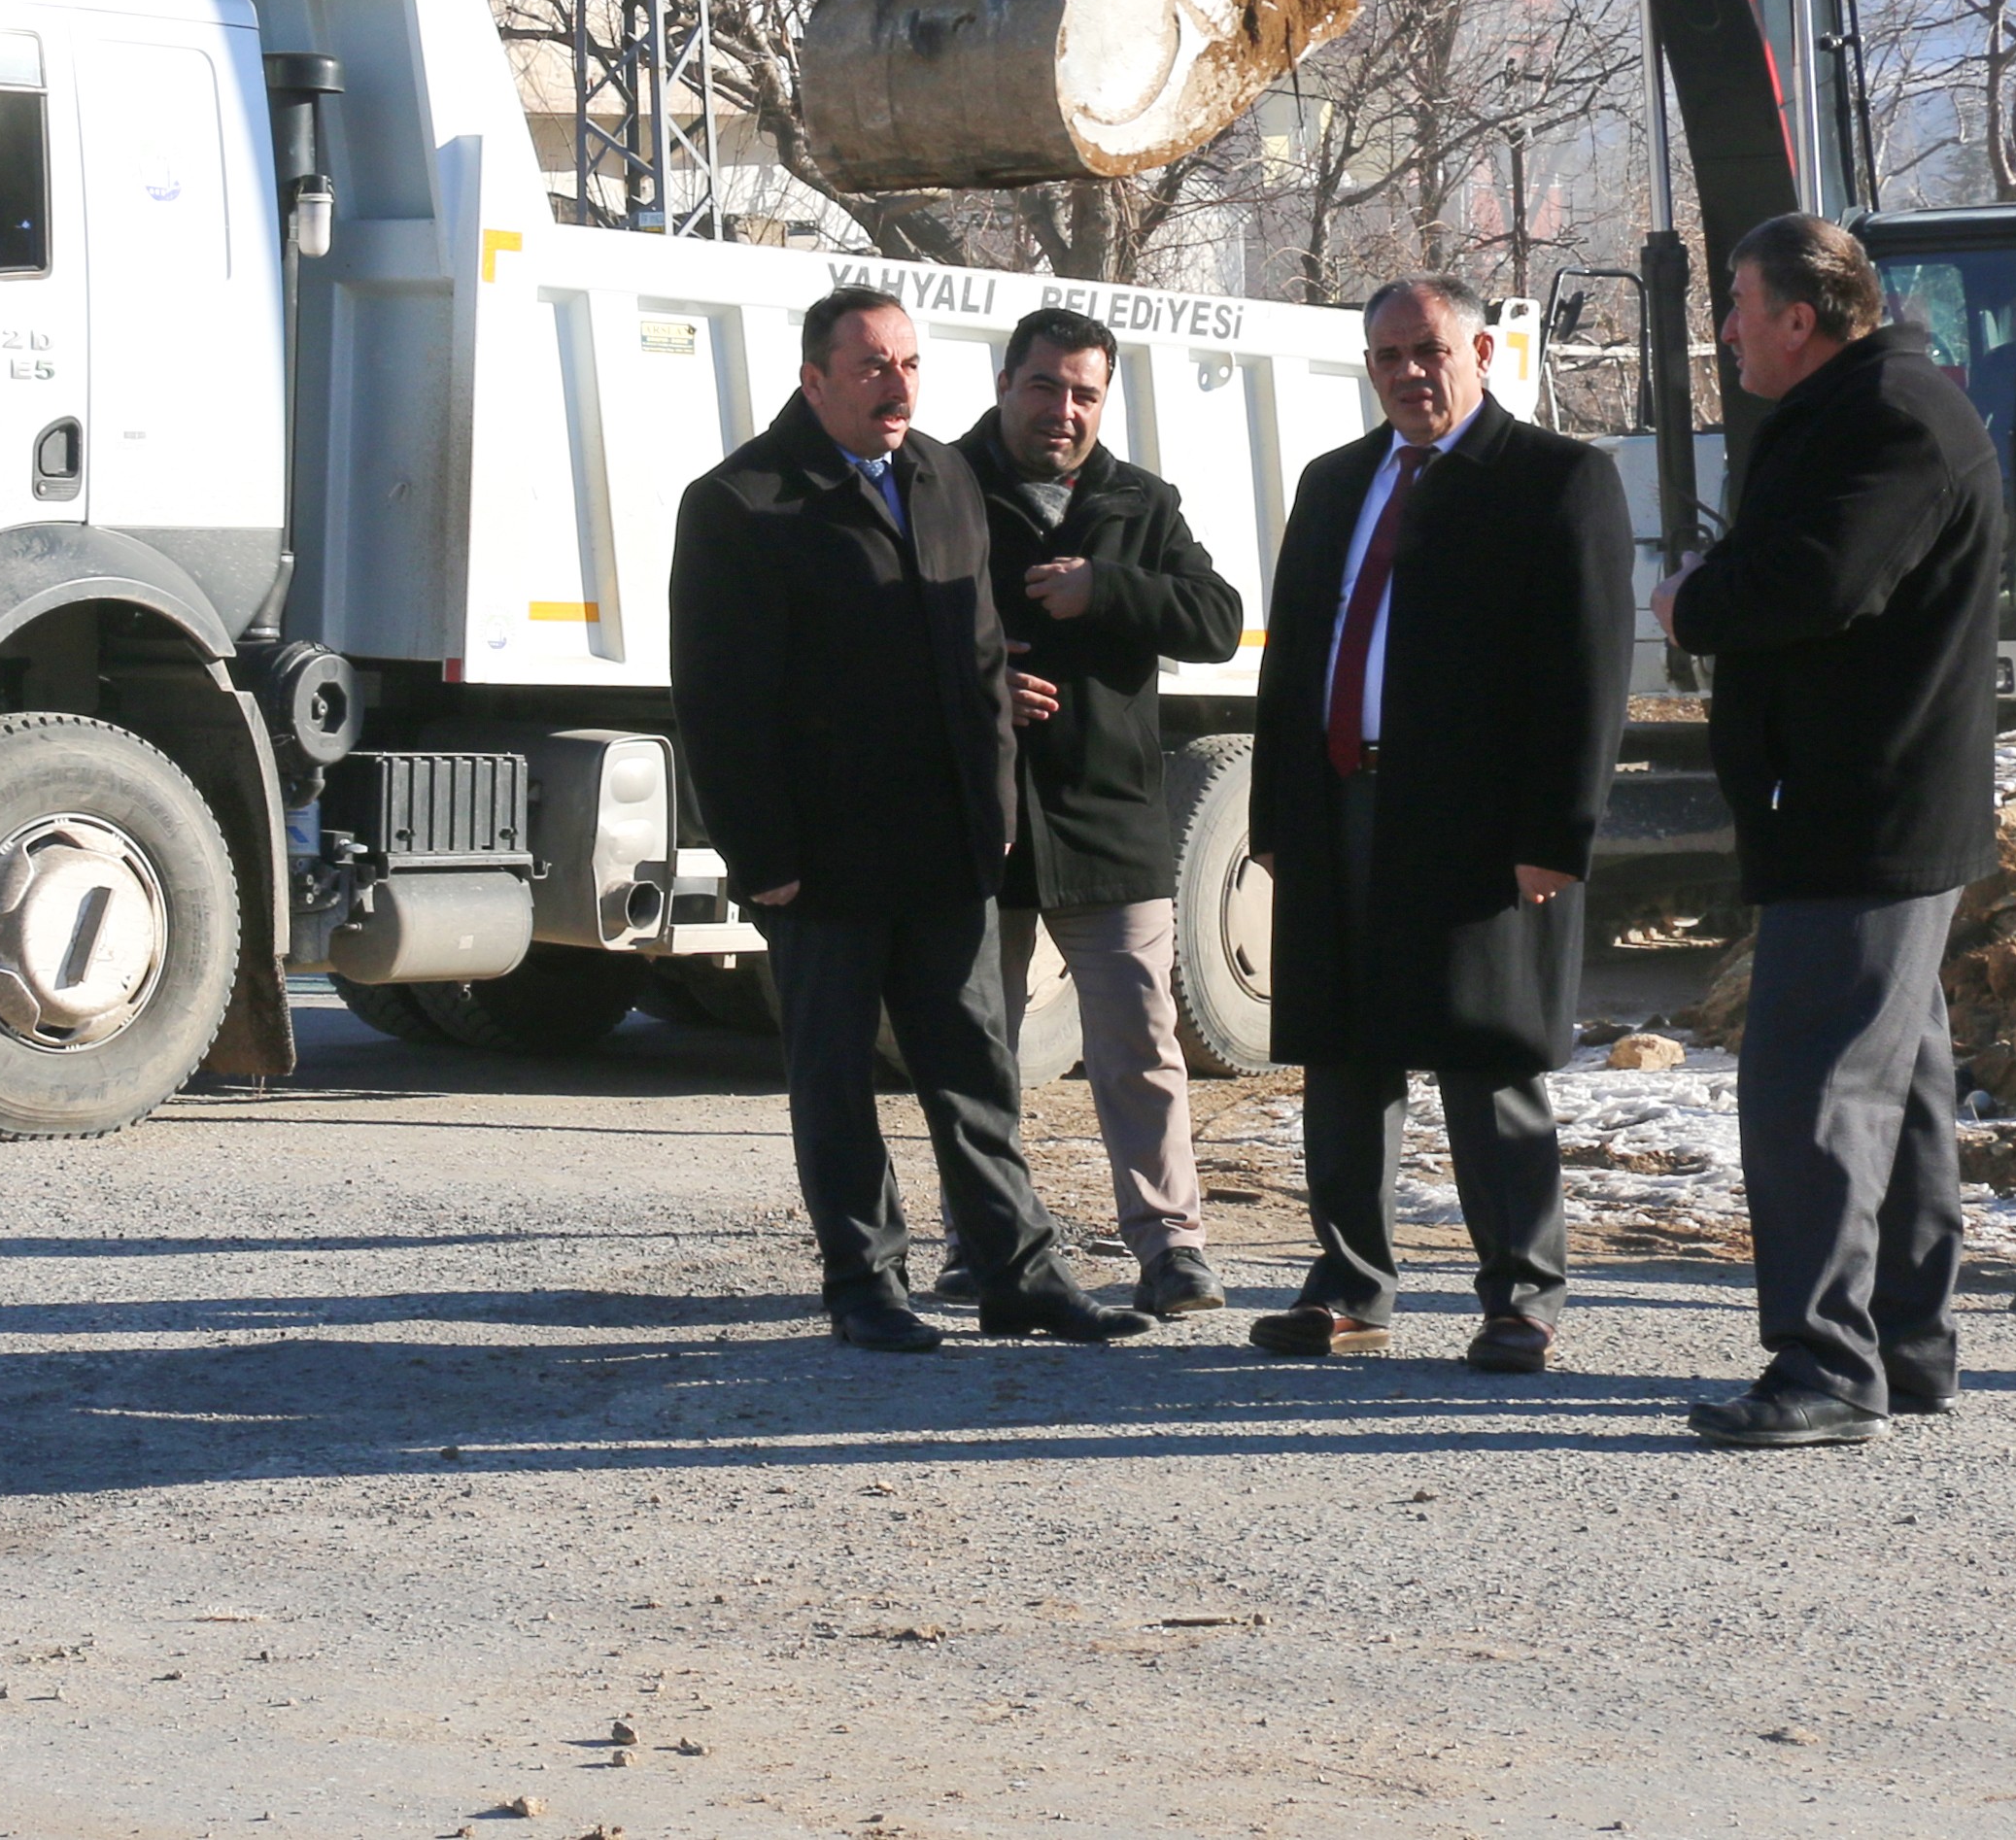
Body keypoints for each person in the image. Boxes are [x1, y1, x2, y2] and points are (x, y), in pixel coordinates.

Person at [667, 285, 1153, 1354]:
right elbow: (719, 699)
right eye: (872, 367)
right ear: (814, 378)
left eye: (910, 365)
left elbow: (979, 654)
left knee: (976, 1066)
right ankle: (864, 1280)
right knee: (838, 1077)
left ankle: (1018, 1274)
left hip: (947, 849)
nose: (898, 387)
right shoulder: (743, 501)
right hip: (824, 860)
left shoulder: (940, 475)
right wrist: (764, 856)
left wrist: (995, 816)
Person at [1243, 276, 1631, 1373]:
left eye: (1429, 350)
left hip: (1478, 825)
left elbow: (1589, 675)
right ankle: (1350, 1288)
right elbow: (1295, 669)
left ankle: (1521, 1295)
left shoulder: (1559, 479)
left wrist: (1559, 832)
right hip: (1337, 805)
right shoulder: (1335, 484)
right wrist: (1277, 817)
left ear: (1483, 353)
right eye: (1387, 357)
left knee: (1485, 1057)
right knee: (1343, 1051)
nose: (1409, 373)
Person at [1661, 213, 2000, 1448]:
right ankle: (1904, 1347)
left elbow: (1821, 582)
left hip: (1864, 809)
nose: (1728, 332)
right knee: (1897, 1085)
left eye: (1739, 306)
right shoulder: (1868, 406)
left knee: (1812, 1083)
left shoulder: (1891, 418)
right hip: (1869, 804)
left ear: (1800, 319)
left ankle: (1825, 1363)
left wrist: (1695, 599)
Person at [944, 306, 1247, 1318]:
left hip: (1108, 820)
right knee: (977, 1049)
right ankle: (983, 1240)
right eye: (1044, 386)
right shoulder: (938, 485)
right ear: (1005, 382)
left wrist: (1103, 587)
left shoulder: (1138, 500)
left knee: (1140, 1049)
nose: (1062, 410)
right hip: (979, 816)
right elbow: (876, 629)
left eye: (1084, 392)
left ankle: (1173, 1250)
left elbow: (1215, 619)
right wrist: (980, 683)